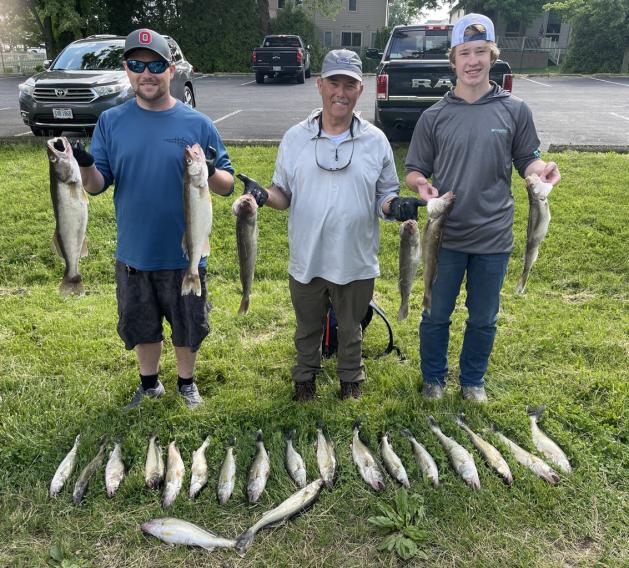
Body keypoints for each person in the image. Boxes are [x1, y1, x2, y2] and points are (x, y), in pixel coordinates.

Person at [238, 49, 422, 402]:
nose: (341, 92)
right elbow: (283, 193)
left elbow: (384, 196)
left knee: (351, 327)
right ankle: (305, 377)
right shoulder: (295, 137)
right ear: (319, 85)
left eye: (350, 84)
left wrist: (395, 206)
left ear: (360, 90)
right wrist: (262, 195)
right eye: (334, 82)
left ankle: (350, 377)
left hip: (355, 256)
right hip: (308, 254)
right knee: (308, 326)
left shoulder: (376, 140)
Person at [73, 28, 234, 409]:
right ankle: (149, 385)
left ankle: (186, 383)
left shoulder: (198, 124)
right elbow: (97, 186)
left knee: (187, 323)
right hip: (135, 252)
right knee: (141, 322)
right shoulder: (111, 122)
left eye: (156, 65)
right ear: (126, 69)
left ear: (171, 70)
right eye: (136, 64)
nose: (146, 73)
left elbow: (226, 185)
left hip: (186, 252)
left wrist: (208, 170)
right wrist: (83, 166)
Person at [405, 14, 561, 403]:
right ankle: (434, 380)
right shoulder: (434, 116)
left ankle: (473, 381)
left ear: (492, 56)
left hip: (493, 236)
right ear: (453, 60)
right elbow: (414, 171)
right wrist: (421, 186)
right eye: (464, 53)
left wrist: (541, 173)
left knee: (483, 317)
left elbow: (528, 159)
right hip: (446, 237)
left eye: (480, 52)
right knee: (436, 312)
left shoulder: (515, 110)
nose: (472, 61)